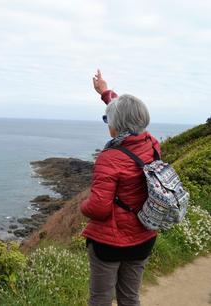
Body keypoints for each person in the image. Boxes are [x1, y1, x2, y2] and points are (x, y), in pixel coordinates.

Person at [80, 70, 160, 306]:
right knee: (130, 298)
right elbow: (128, 115)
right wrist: (105, 92)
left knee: (101, 299)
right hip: (144, 236)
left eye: (108, 120)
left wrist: (83, 206)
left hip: (110, 244)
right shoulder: (151, 144)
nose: (108, 124)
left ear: (116, 125)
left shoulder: (110, 157)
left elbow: (99, 209)